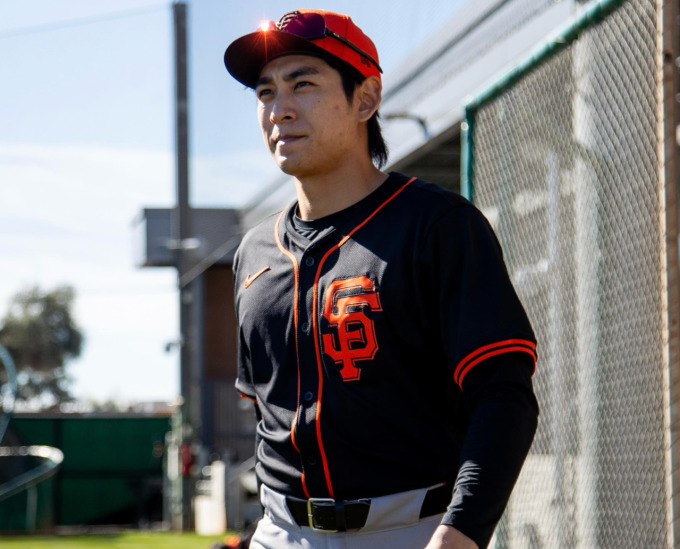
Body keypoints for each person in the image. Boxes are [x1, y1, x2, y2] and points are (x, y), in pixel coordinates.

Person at [224, 9, 539, 549]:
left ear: (366, 99)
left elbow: (505, 396)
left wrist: (463, 528)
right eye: (265, 92)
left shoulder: (436, 224)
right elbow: (265, 414)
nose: (280, 109)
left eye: (304, 84)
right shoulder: (254, 251)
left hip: (410, 528)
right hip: (281, 532)